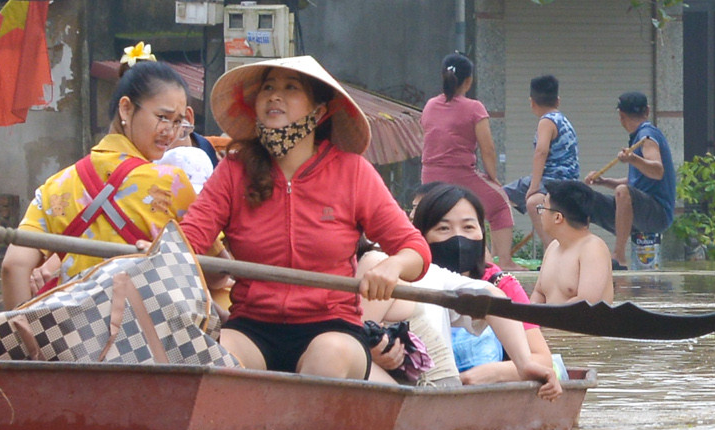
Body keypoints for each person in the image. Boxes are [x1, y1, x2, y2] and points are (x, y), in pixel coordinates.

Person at [180, 56, 430, 380]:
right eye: (268, 87)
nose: (274, 96)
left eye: (290, 88)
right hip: (252, 326)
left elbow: (416, 250)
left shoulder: (352, 172)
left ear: (319, 111)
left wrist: (392, 266)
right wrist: (160, 251)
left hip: (333, 328)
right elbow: (188, 240)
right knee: (214, 357)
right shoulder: (232, 170)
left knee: (327, 358)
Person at [1, 52, 199, 308]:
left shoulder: (57, 185)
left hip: (71, 338)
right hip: (145, 338)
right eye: (163, 117)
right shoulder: (173, 184)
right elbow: (215, 273)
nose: (170, 133)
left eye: (177, 122)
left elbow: (13, 266)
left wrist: (25, 343)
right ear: (126, 108)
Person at [360, 183, 560, 397]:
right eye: (444, 228)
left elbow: (491, 297)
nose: (458, 239)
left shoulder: (494, 282)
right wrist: (374, 351)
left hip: (443, 387)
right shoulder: (400, 271)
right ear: (421, 235)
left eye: (468, 227)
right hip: (421, 384)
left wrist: (514, 367)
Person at [418, 53, 515, 263]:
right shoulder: (474, 107)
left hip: (429, 177)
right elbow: (487, 148)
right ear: (469, 80)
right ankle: (505, 260)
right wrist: (492, 177)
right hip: (459, 174)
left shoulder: (430, 105)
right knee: (500, 203)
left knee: (439, 217)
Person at [585, 91, 677, 270]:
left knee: (622, 191)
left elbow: (657, 171)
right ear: (647, 110)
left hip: (658, 214)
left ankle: (619, 256)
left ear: (621, 116)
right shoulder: (641, 136)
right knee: (586, 198)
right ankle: (581, 255)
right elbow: (637, 182)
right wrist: (604, 181)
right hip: (642, 210)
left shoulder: (646, 136)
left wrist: (633, 159)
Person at [502, 75, 580, 250]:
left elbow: (541, 152)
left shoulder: (547, 121)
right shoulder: (564, 120)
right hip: (568, 179)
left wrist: (534, 186)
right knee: (526, 201)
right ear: (558, 101)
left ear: (532, 102)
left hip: (552, 179)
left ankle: (547, 247)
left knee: (499, 198)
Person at [532, 179, 614, 305]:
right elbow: (539, 294)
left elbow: (586, 303)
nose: (541, 214)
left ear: (557, 217)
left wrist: (549, 321)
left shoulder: (593, 248)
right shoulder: (553, 246)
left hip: (578, 324)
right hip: (548, 322)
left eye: (543, 208)